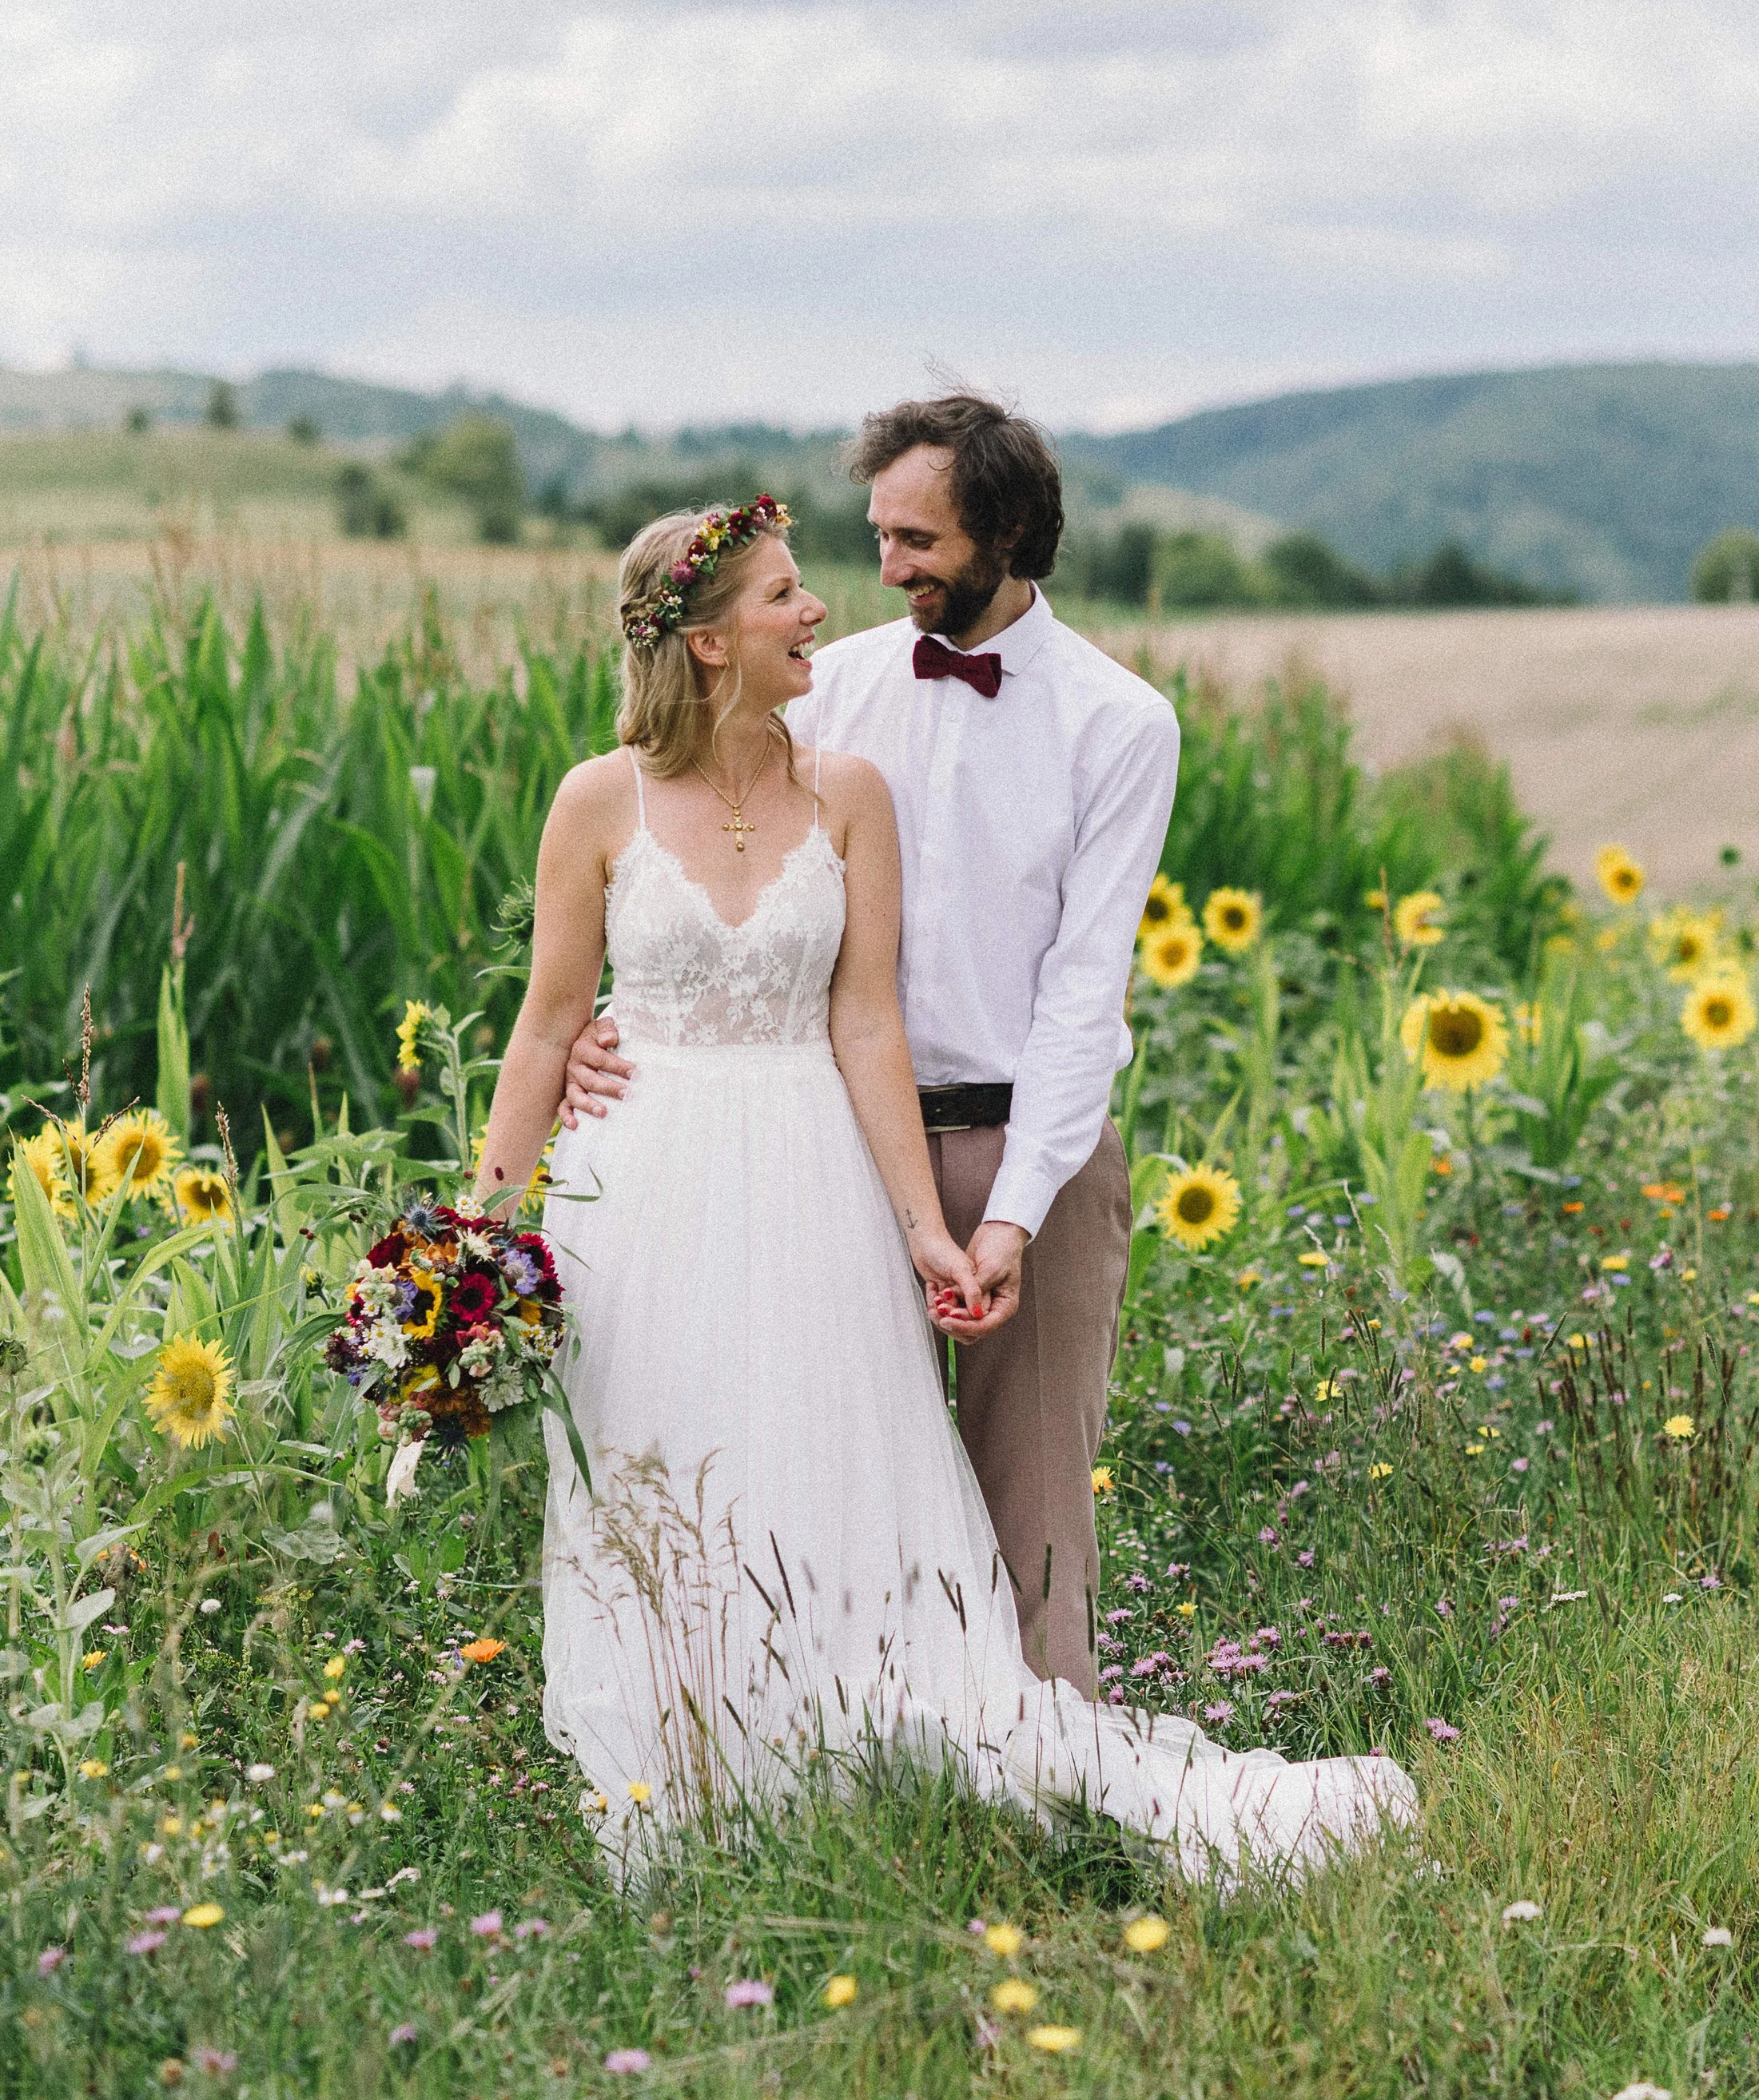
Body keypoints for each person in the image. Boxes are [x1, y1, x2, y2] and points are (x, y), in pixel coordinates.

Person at [480, 486, 1415, 1881]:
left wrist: (929, 1228)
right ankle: (681, 1794)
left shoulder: (845, 787)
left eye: (825, 580)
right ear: (710, 643)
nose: (821, 609)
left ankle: (851, 1773)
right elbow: (551, 1024)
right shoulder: (596, 799)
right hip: (646, 1189)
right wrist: (473, 1250)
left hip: (812, 1176)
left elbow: (867, 1022)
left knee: (835, 1468)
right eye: (785, 593)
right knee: (654, 1481)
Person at [563, 394, 1149, 1694]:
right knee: (818, 1482)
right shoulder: (841, 687)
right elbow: (719, 860)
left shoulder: (1119, 723)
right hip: (825, 1153)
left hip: (1021, 1146)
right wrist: (636, 1021)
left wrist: (1015, 1208)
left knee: (1038, 1515)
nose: (883, 571)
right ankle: (838, 1767)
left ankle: (1060, 1798)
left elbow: (1082, 998)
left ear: (1003, 531)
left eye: (916, 540)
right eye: (876, 536)